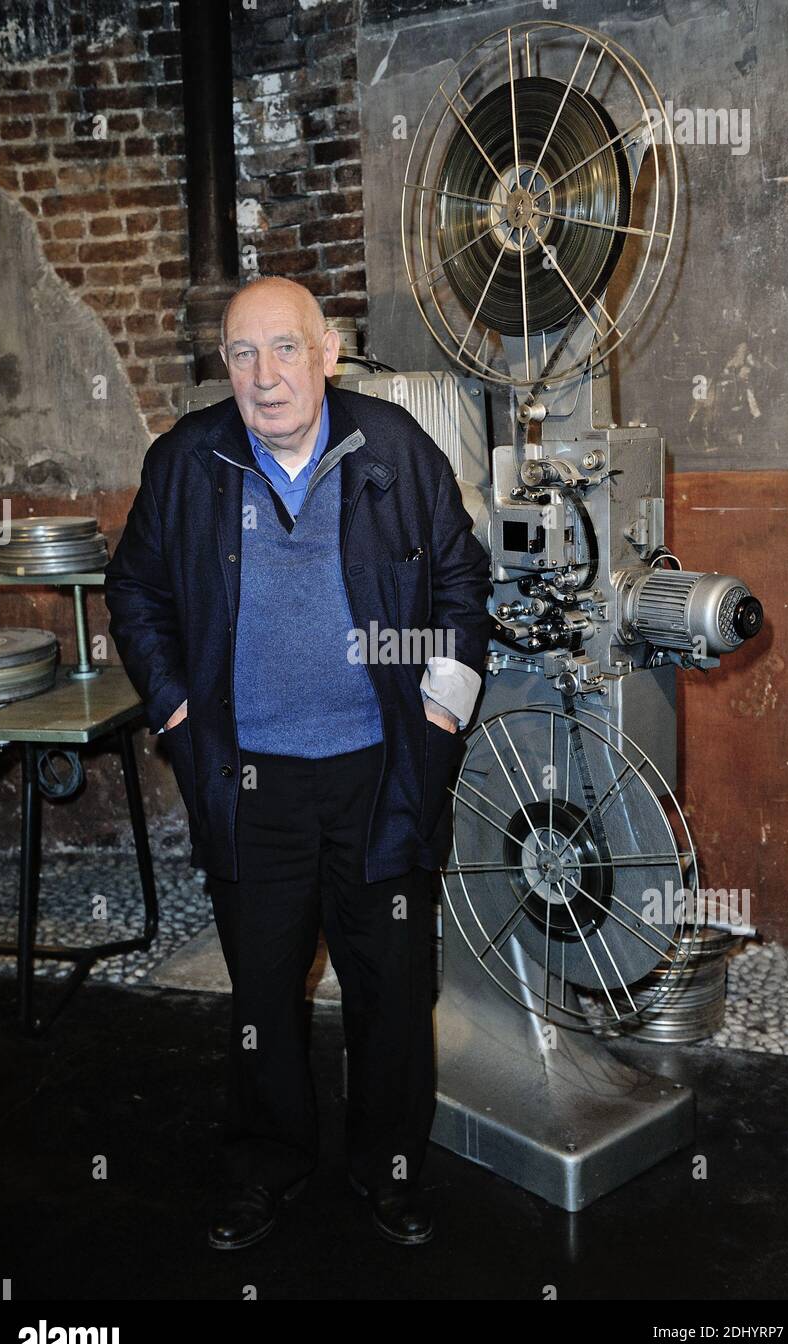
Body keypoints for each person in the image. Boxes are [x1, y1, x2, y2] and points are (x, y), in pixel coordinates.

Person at [104, 276, 492, 1249]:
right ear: (224, 366)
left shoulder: (395, 451)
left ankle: (390, 1168)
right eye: (242, 353)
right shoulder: (188, 462)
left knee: (391, 990)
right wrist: (178, 708)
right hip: (250, 777)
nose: (264, 375)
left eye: (285, 349)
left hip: (378, 769)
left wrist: (441, 713)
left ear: (327, 351)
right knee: (263, 992)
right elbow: (137, 589)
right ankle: (268, 1161)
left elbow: (457, 579)